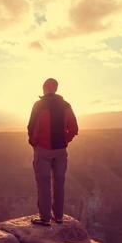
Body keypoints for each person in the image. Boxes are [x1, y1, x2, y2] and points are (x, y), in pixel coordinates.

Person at [27, 78, 79, 226]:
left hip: (43, 151)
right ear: (56, 88)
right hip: (61, 151)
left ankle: (45, 218)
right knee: (59, 183)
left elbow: (32, 128)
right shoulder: (66, 105)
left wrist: (34, 143)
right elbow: (74, 128)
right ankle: (59, 217)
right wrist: (65, 140)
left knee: (44, 184)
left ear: (44, 88)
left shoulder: (39, 105)